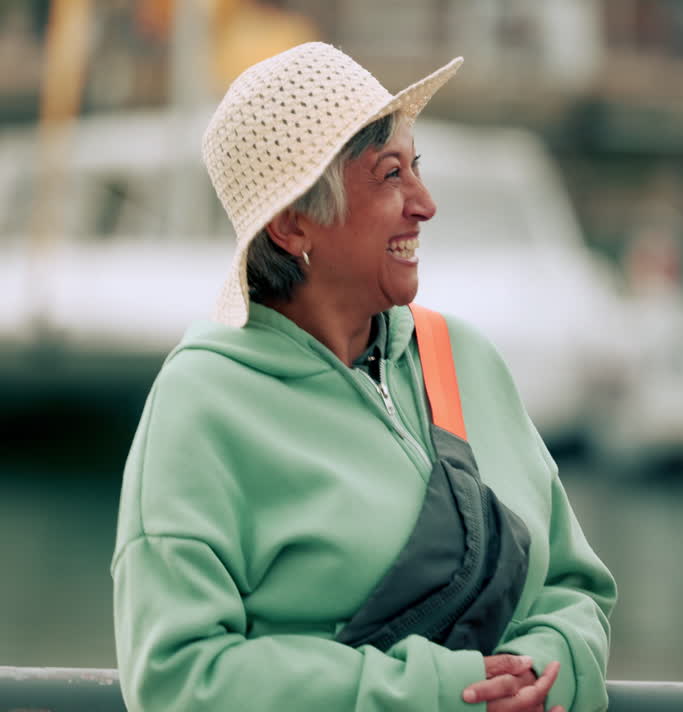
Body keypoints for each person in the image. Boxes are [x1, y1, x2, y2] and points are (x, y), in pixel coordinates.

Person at [112, 42, 615, 712]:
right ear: (294, 224)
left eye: (417, 168)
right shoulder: (201, 402)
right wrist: (445, 693)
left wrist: (545, 674)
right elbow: (177, 676)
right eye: (390, 176)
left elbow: (575, 590)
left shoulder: (465, 359)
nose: (426, 204)